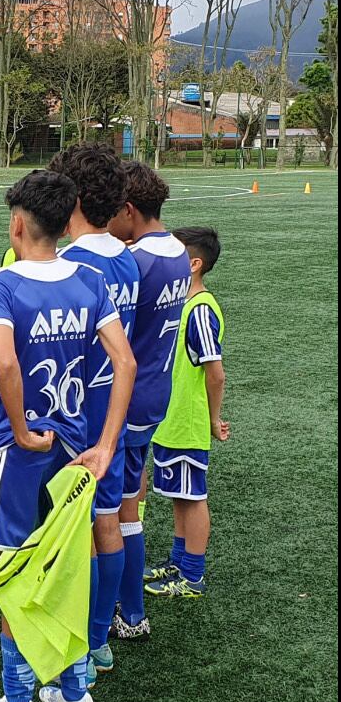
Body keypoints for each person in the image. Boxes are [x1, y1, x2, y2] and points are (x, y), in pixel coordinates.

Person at [0, 169, 135, 702]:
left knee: (15, 573)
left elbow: (7, 362)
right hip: (78, 451)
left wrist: (19, 429)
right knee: (68, 568)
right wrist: (106, 446)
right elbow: (125, 362)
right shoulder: (89, 280)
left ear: (17, 224)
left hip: (20, 453)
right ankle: (74, 692)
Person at [48, 143, 140, 680]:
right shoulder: (125, 257)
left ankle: (76, 643)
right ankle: (99, 639)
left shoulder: (69, 266)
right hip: (114, 414)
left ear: (74, 200)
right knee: (107, 519)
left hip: (76, 414)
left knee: (75, 531)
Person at [107, 161, 192, 640]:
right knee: (129, 502)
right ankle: (130, 610)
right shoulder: (177, 249)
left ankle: (127, 614)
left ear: (128, 209)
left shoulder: (137, 261)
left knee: (117, 511)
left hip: (128, 396)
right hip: (156, 389)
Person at [144, 227, 228, 599]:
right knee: (180, 495)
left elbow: (215, 372)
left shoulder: (200, 310)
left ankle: (192, 576)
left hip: (187, 422)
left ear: (193, 264)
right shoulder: (181, 303)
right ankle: (178, 563)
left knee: (192, 498)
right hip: (171, 419)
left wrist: (212, 419)